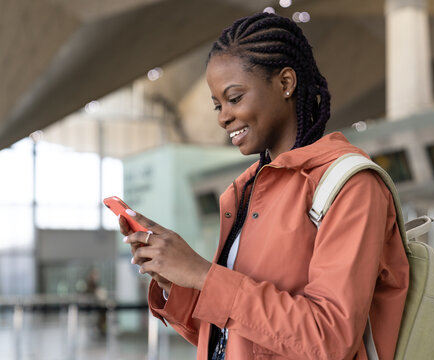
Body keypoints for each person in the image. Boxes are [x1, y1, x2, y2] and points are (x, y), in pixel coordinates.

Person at [120, 12, 409, 360]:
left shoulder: (351, 186)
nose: (222, 116)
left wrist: (203, 274)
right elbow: (237, 335)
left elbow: (329, 338)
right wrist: (179, 280)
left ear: (286, 83)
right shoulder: (244, 191)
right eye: (217, 104)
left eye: (235, 97)